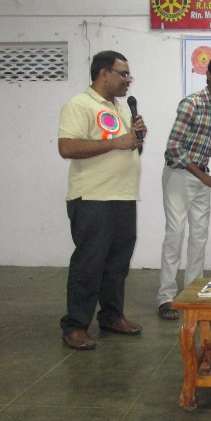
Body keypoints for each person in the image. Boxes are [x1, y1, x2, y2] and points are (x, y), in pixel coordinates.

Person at [58, 50, 146, 350]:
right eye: (124, 74)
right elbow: (67, 147)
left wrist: (136, 140)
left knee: (117, 263)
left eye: (129, 74)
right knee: (89, 264)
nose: (128, 80)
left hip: (123, 195)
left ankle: (111, 315)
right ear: (104, 73)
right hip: (93, 197)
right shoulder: (79, 104)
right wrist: (116, 142)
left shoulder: (120, 109)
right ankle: (75, 325)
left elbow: (127, 150)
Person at [157, 54, 211, 320]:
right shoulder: (191, 104)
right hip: (180, 175)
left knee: (199, 236)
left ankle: (192, 292)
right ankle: (166, 297)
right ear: (208, 75)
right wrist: (204, 178)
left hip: (204, 177)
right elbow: (174, 146)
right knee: (175, 235)